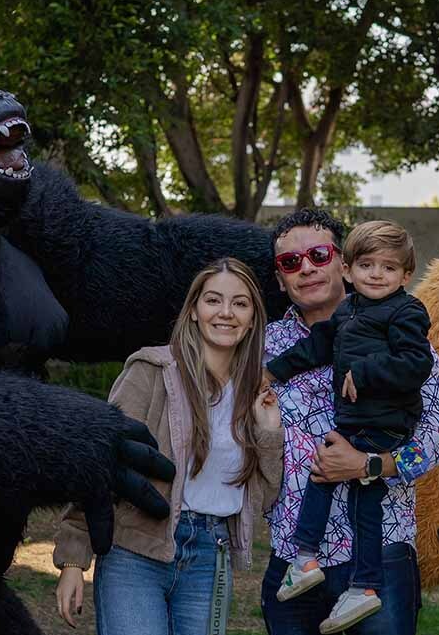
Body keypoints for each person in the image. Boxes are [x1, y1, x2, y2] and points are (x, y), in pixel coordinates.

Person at [52, 258, 284, 635]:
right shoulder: (152, 371)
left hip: (211, 555)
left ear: (254, 318)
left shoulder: (257, 393)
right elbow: (101, 464)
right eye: (213, 300)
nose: (226, 313)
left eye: (240, 304)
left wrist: (269, 434)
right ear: (193, 311)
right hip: (135, 552)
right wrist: (75, 559)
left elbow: (265, 496)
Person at [260, 209, 439, 635]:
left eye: (318, 253)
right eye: (291, 262)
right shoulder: (262, 349)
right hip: (294, 556)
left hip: (379, 553)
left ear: (340, 264)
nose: (306, 267)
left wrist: (372, 465)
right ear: (279, 278)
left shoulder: (404, 335)